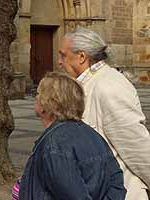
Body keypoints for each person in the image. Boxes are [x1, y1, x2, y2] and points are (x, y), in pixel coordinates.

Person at [59, 27, 150, 199]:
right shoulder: (89, 83)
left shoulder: (109, 86)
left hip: (119, 192)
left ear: (82, 57)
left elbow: (136, 147)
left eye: (63, 55)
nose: (59, 61)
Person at [18, 72, 126, 199]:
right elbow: (116, 181)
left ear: (45, 105)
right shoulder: (92, 134)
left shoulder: (55, 144)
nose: (35, 98)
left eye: (38, 94)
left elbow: (72, 194)